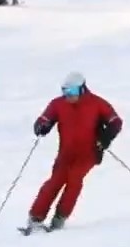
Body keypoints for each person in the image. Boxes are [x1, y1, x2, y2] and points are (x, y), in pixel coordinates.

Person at [26, 71, 122, 232]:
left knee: (74, 180)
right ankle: (35, 218)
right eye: (65, 91)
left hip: (88, 152)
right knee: (55, 181)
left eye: (72, 92)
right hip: (66, 153)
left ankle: (59, 219)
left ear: (82, 89)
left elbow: (115, 121)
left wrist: (105, 138)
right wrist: (41, 126)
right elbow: (45, 118)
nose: (68, 96)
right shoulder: (58, 104)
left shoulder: (97, 103)